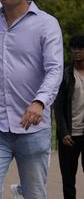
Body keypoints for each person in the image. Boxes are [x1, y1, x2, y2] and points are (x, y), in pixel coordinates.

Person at [0, 0, 64, 199]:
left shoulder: (47, 25)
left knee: (35, 194)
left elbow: (55, 69)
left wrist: (40, 102)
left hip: (34, 128)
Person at [54, 34, 84, 199]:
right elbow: (58, 106)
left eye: (80, 48)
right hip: (69, 136)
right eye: (74, 48)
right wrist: (63, 131)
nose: (77, 52)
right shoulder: (65, 75)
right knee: (68, 179)